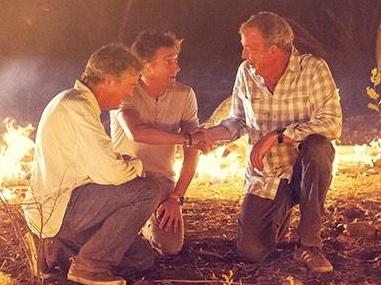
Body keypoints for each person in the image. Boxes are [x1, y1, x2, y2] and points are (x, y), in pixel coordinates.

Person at [197, 11, 342, 273]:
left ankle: (309, 245)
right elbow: (238, 121)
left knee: (319, 147)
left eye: (249, 48)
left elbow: (332, 123)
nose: (243, 55)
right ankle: (280, 211)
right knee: (252, 251)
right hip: (268, 174)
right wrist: (211, 134)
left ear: (273, 50)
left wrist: (278, 136)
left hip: (304, 169)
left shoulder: (313, 69)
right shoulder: (246, 72)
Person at [23, 43, 161, 285]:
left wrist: (125, 164)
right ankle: (89, 266)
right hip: (61, 207)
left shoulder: (75, 102)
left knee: (142, 258)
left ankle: (58, 250)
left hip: (70, 207)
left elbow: (102, 164)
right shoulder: (76, 108)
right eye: (129, 85)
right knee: (147, 190)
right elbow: (111, 173)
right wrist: (137, 166)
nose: (130, 94)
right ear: (108, 80)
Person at [110, 31, 200, 256]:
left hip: (160, 182)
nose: (176, 68)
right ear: (145, 66)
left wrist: (176, 198)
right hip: (124, 179)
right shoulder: (126, 89)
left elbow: (193, 150)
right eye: (168, 61)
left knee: (170, 247)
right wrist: (187, 138)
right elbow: (136, 132)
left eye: (176, 60)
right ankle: (133, 223)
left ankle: (144, 223)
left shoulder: (185, 94)